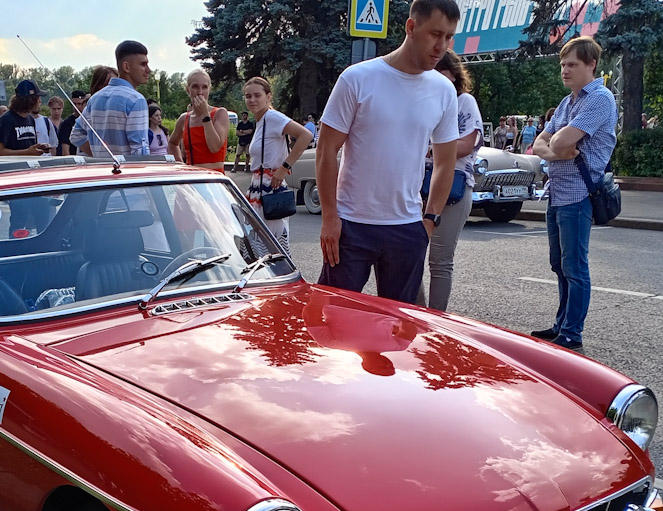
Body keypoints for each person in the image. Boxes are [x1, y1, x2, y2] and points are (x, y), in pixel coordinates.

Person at [316, 0, 460, 305]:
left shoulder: (444, 90)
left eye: (449, 37)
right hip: (351, 224)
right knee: (332, 319)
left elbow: (447, 162)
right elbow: (327, 149)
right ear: (411, 27)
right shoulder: (358, 78)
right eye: (435, 34)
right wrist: (330, 217)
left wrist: (430, 220)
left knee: (401, 331)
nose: (442, 46)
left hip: (407, 227)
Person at [531, 35, 618, 351]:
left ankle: (572, 334)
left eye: (572, 65)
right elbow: (542, 144)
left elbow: (556, 141)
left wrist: (553, 146)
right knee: (559, 263)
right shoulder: (569, 102)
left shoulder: (600, 99)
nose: (565, 71)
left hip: (579, 195)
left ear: (591, 65)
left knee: (575, 267)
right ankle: (561, 326)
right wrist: (554, 150)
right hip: (557, 194)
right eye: (562, 65)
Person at [418, 49, 482, 312]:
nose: (434, 76)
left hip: (454, 186)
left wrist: (433, 148)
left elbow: (468, 144)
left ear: (453, 74)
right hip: (419, 184)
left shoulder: (464, 101)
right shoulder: (422, 100)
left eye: (440, 71)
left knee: (439, 261)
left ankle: (435, 321)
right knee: (410, 256)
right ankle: (418, 315)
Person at [242, 76, 313, 256]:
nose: (252, 100)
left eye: (257, 95)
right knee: (259, 245)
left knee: (269, 246)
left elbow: (305, 135)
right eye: (248, 96)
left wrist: (284, 168)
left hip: (269, 188)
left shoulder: (272, 117)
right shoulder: (261, 121)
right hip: (259, 187)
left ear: (268, 97)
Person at [70, 43, 150, 158]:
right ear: (126, 67)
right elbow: (139, 151)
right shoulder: (136, 100)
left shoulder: (94, 99)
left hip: (102, 172)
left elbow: (76, 135)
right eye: (143, 64)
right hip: (127, 174)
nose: (148, 70)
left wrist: (100, 157)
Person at [169, 68, 229, 172]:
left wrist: (205, 114)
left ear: (209, 89)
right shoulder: (184, 119)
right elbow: (172, 143)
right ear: (188, 90)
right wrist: (179, 163)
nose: (200, 92)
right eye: (195, 87)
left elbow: (214, 147)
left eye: (204, 87)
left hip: (214, 179)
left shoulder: (220, 113)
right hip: (192, 180)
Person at [0, 80, 49, 157]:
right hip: (14, 167)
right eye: (38, 98)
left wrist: (39, 147)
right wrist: (27, 152)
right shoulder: (6, 120)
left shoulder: (30, 119)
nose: (40, 101)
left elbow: (30, 147)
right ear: (31, 100)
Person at [59, 89, 88, 156]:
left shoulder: (89, 121)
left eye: (79, 104)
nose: (76, 107)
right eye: (74, 104)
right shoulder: (66, 124)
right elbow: (65, 149)